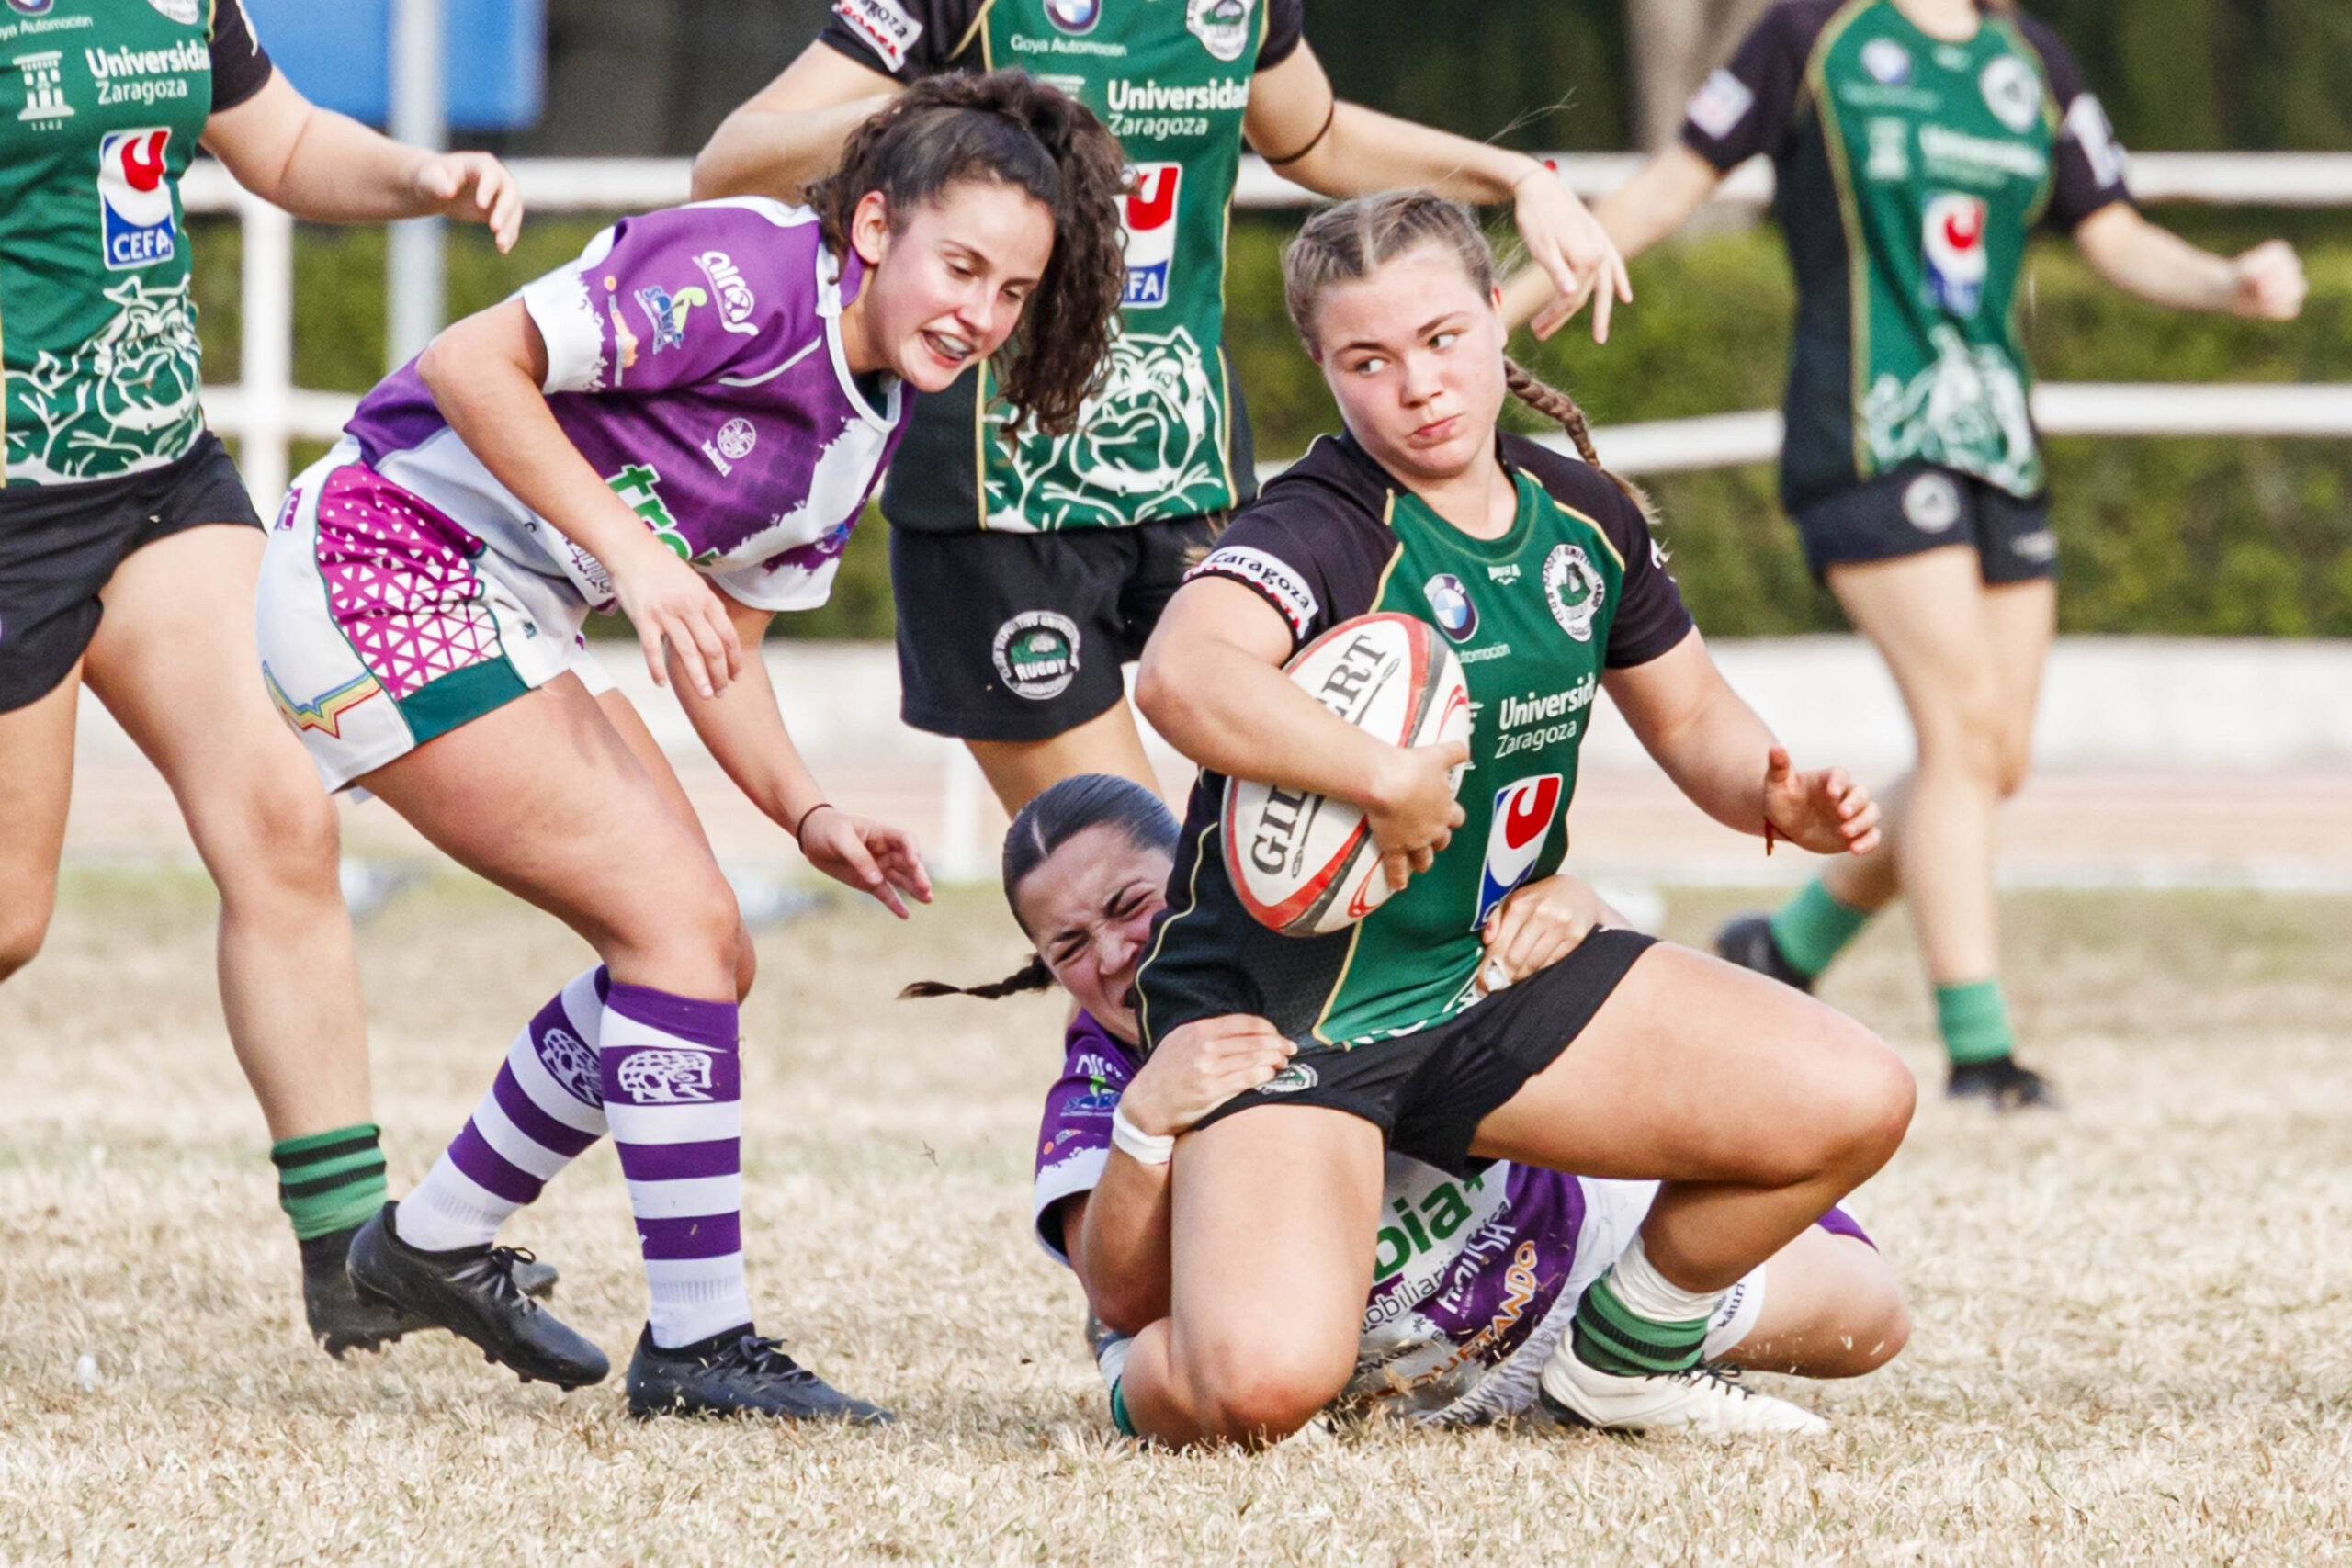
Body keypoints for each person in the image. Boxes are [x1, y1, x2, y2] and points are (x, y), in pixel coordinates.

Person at [251, 73, 1129, 1420]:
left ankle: (423, 1243)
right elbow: (468, 365)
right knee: (671, 925)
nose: (982, 311)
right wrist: (633, 556)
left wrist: (807, 810)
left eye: (1013, 291)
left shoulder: (868, 425)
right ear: (878, 223)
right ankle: (699, 1345)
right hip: (380, 559)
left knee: (707, 950)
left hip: (501, 598)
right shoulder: (743, 267)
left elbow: (719, 644)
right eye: (962, 265)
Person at [1112, 189, 1916, 1449]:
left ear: (1499, 318)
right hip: (1295, 1016)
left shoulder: (1584, 515)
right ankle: (1131, 1356)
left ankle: (1621, 1363)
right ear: (1324, 370)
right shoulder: (1313, 527)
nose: (1416, 386)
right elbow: (1180, 676)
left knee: (1857, 1095)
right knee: (1260, 1386)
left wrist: (1773, 791)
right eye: (1367, 360)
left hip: (1497, 976)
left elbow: (1695, 717)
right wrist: (1378, 774)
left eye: (1441, 337)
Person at [1506, 0, 2309, 1108]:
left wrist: (2226, 283)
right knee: (1960, 737)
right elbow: (1673, 179)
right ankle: (1981, 1053)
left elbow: (2111, 229)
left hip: (1999, 449)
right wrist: (1495, 305)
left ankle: (1782, 948)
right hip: (1868, 440)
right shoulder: (1812, 37)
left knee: (1991, 759)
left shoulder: (2026, 58)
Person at [689, 0, 1631, 816]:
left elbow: (1318, 136)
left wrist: (1520, 179)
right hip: (1001, 502)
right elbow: (727, 165)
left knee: (1270, 871)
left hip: (1192, 474)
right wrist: (937, 106)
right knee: (1135, 897)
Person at [0, 0, 530, 1354]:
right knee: (8, 915)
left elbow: (281, 143)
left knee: (285, 818)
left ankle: (351, 1249)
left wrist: (421, 177)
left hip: (156, 477)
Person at [909, 774, 1911, 1431]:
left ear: (1202, 875)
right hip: (1356, 1363)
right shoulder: (1096, 1073)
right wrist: (1145, 1126)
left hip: (1557, 1265)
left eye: (1130, 906)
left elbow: (1607, 1019)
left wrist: (1573, 908)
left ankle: (1615, 1360)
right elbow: (1117, 1292)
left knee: (1870, 1318)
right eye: (1067, 947)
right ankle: (1152, 1388)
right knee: (1194, 1371)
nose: (1112, 955)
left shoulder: (1342, 920)